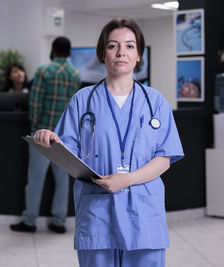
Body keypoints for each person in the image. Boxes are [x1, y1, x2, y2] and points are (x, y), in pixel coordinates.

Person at [31, 18, 184, 267]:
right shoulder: (82, 101)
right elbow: (68, 152)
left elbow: (164, 158)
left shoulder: (156, 102)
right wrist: (51, 139)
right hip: (97, 214)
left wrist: (127, 179)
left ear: (139, 55)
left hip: (143, 216)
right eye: (113, 46)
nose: (121, 52)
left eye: (129, 46)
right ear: (103, 53)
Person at [10, 36, 81, 234]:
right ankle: (59, 221)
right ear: (68, 52)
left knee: (36, 178)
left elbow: (35, 103)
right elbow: (74, 107)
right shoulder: (75, 74)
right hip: (64, 137)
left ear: (53, 50)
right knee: (62, 180)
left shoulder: (43, 71)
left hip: (42, 134)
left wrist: (35, 127)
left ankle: (30, 220)